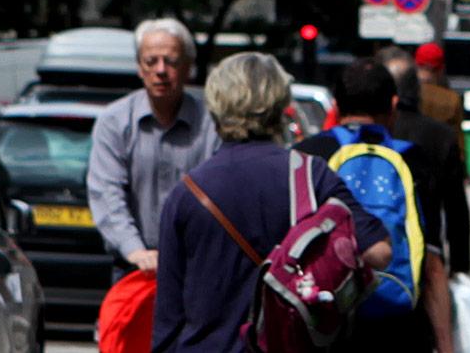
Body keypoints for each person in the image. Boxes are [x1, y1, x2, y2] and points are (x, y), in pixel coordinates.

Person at [153, 52, 391, 352]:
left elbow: (168, 317)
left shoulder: (187, 192)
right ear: (281, 106)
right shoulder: (310, 175)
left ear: (215, 108)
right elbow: (379, 252)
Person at [296, 59, 453, 353]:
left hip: (325, 326)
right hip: (400, 329)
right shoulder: (412, 159)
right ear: (393, 105)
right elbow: (431, 264)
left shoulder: (306, 156)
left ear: (337, 106)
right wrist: (446, 345)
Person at [88, 18, 221, 278]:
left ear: (187, 68)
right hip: (135, 267)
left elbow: (221, 193)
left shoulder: (212, 123)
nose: (160, 70)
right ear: (139, 67)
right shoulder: (114, 121)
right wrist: (135, 251)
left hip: (196, 267)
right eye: (151, 61)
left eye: (170, 61)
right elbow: (107, 193)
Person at [378, 47, 470, 274]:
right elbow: (456, 210)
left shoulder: (366, 134)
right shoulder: (443, 129)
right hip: (427, 255)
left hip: (373, 255)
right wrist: (460, 266)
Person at [414, 42, 466, 136]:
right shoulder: (452, 100)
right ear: (441, 69)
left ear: (416, 65)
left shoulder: (403, 95)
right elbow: (458, 141)